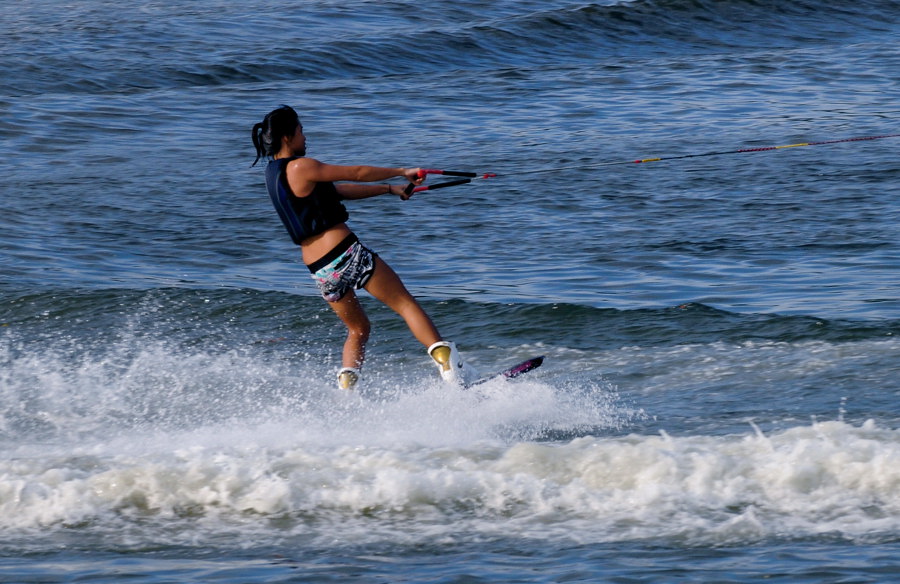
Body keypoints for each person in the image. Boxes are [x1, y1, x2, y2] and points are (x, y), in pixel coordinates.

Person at [251, 105, 476, 390]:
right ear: (286, 136)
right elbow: (355, 173)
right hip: (346, 254)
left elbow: (339, 190)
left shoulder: (273, 173)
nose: (305, 136)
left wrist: (389, 189)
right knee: (405, 304)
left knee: (358, 329)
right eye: (300, 130)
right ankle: (451, 368)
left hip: (321, 271)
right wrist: (401, 171)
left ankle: (348, 391)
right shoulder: (301, 166)